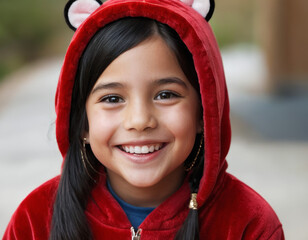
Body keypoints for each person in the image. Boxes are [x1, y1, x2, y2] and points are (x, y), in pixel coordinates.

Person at [3, 0, 284, 239]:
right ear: (82, 123)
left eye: (165, 95)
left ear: (204, 112)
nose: (139, 120)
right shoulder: (34, 220)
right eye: (112, 99)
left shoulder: (249, 223)